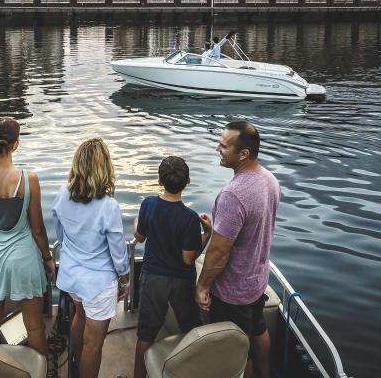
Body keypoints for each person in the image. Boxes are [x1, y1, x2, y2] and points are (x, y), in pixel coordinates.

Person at [196, 122, 280, 378]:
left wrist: (201, 286)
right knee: (257, 329)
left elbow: (219, 253)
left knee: (232, 351)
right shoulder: (269, 179)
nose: (217, 148)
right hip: (257, 282)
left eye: (224, 145)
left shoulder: (233, 195)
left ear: (243, 154)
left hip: (233, 292)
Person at [0, 117, 55, 356]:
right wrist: (47, 258)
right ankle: (41, 371)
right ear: (15, 145)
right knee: (35, 326)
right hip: (24, 260)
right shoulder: (29, 179)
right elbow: (37, 229)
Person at [52, 137, 130, 378]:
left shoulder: (62, 194)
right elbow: (118, 250)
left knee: (80, 316)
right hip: (98, 283)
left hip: (72, 276)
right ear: (104, 167)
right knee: (93, 344)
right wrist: (125, 279)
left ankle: (75, 365)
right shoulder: (108, 206)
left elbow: (60, 233)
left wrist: (72, 252)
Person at [132, 156, 211, 378]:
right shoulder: (189, 218)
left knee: (146, 334)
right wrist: (207, 233)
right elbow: (188, 259)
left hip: (153, 279)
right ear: (188, 181)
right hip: (181, 281)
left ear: (159, 181)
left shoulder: (148, 204)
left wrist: (137, 223)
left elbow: (139, 237)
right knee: (190, 328)